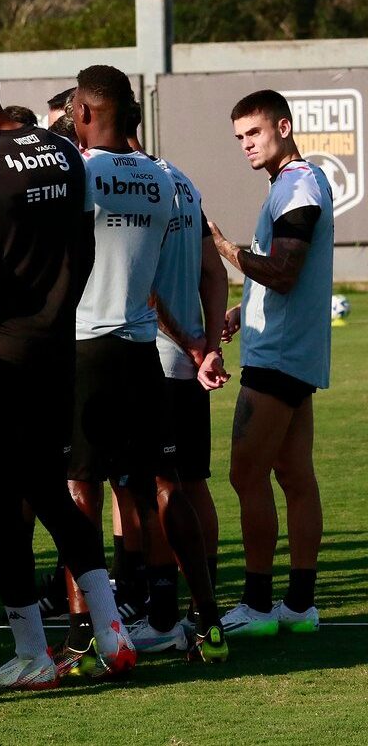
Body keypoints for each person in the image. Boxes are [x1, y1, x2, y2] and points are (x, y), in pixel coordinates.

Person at [0, 52, 135, 687]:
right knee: (50, 489)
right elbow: (87, 238)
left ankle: (32, 654)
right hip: (58, 346)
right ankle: (111, 630)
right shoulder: (66, 152)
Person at [67, 65, 224, 664]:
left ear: (82, 112)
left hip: (86, 347)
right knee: (164, 485)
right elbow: (162, 283)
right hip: (142, 354)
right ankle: (203, 621)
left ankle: (92, 635)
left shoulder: (81, 174)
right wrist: (193, 342)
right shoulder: (165, 180)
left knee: (79, 489)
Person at [208, 89, 332, 637]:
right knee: (294, 476)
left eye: (254, 133)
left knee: (246, 473)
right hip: (289, 350)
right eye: (239, 138)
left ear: (283, 125)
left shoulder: (299, 185)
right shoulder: (291, 183)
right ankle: (300, 606)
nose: (246, 145)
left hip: (278, 358)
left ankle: (258, 607)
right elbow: (283, 279)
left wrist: (226, 250)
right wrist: (243, 307)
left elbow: (282, 271)